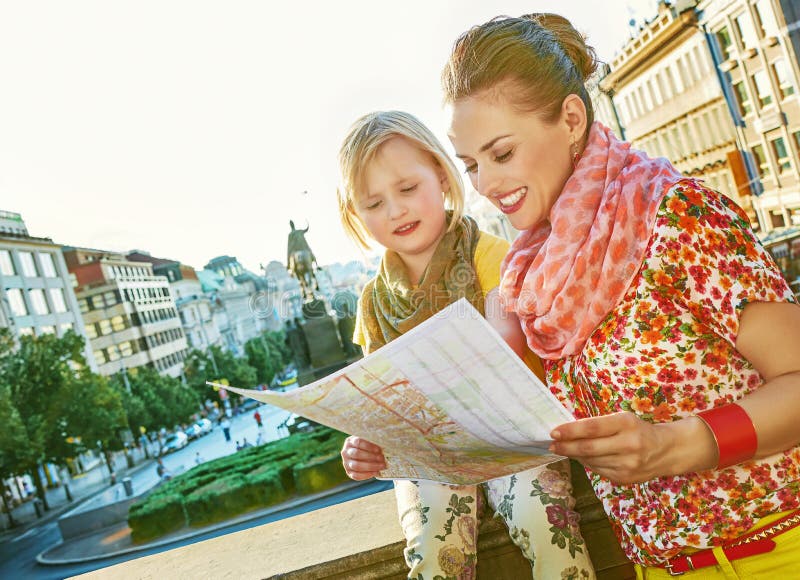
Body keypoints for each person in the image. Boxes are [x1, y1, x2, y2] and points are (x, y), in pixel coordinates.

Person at [442, 13, 800, 578]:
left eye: (501, 154)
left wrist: (673, 445)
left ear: (571, 118)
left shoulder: (678, 215)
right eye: (470, 166)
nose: (484, 185)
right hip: (655, 567)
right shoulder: (528, 275)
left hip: (773, 555)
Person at [336, 110, 595, 580]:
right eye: (373, 203)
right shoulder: (372, 301)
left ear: (440, 173)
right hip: (431, 453)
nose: (395, 210)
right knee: (433, 548)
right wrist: (364, 442)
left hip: (511, 437)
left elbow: (506, 346)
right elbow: (372, 395)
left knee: (545, 523)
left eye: (407, 189)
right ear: (356, 214)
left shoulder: (492, 255)